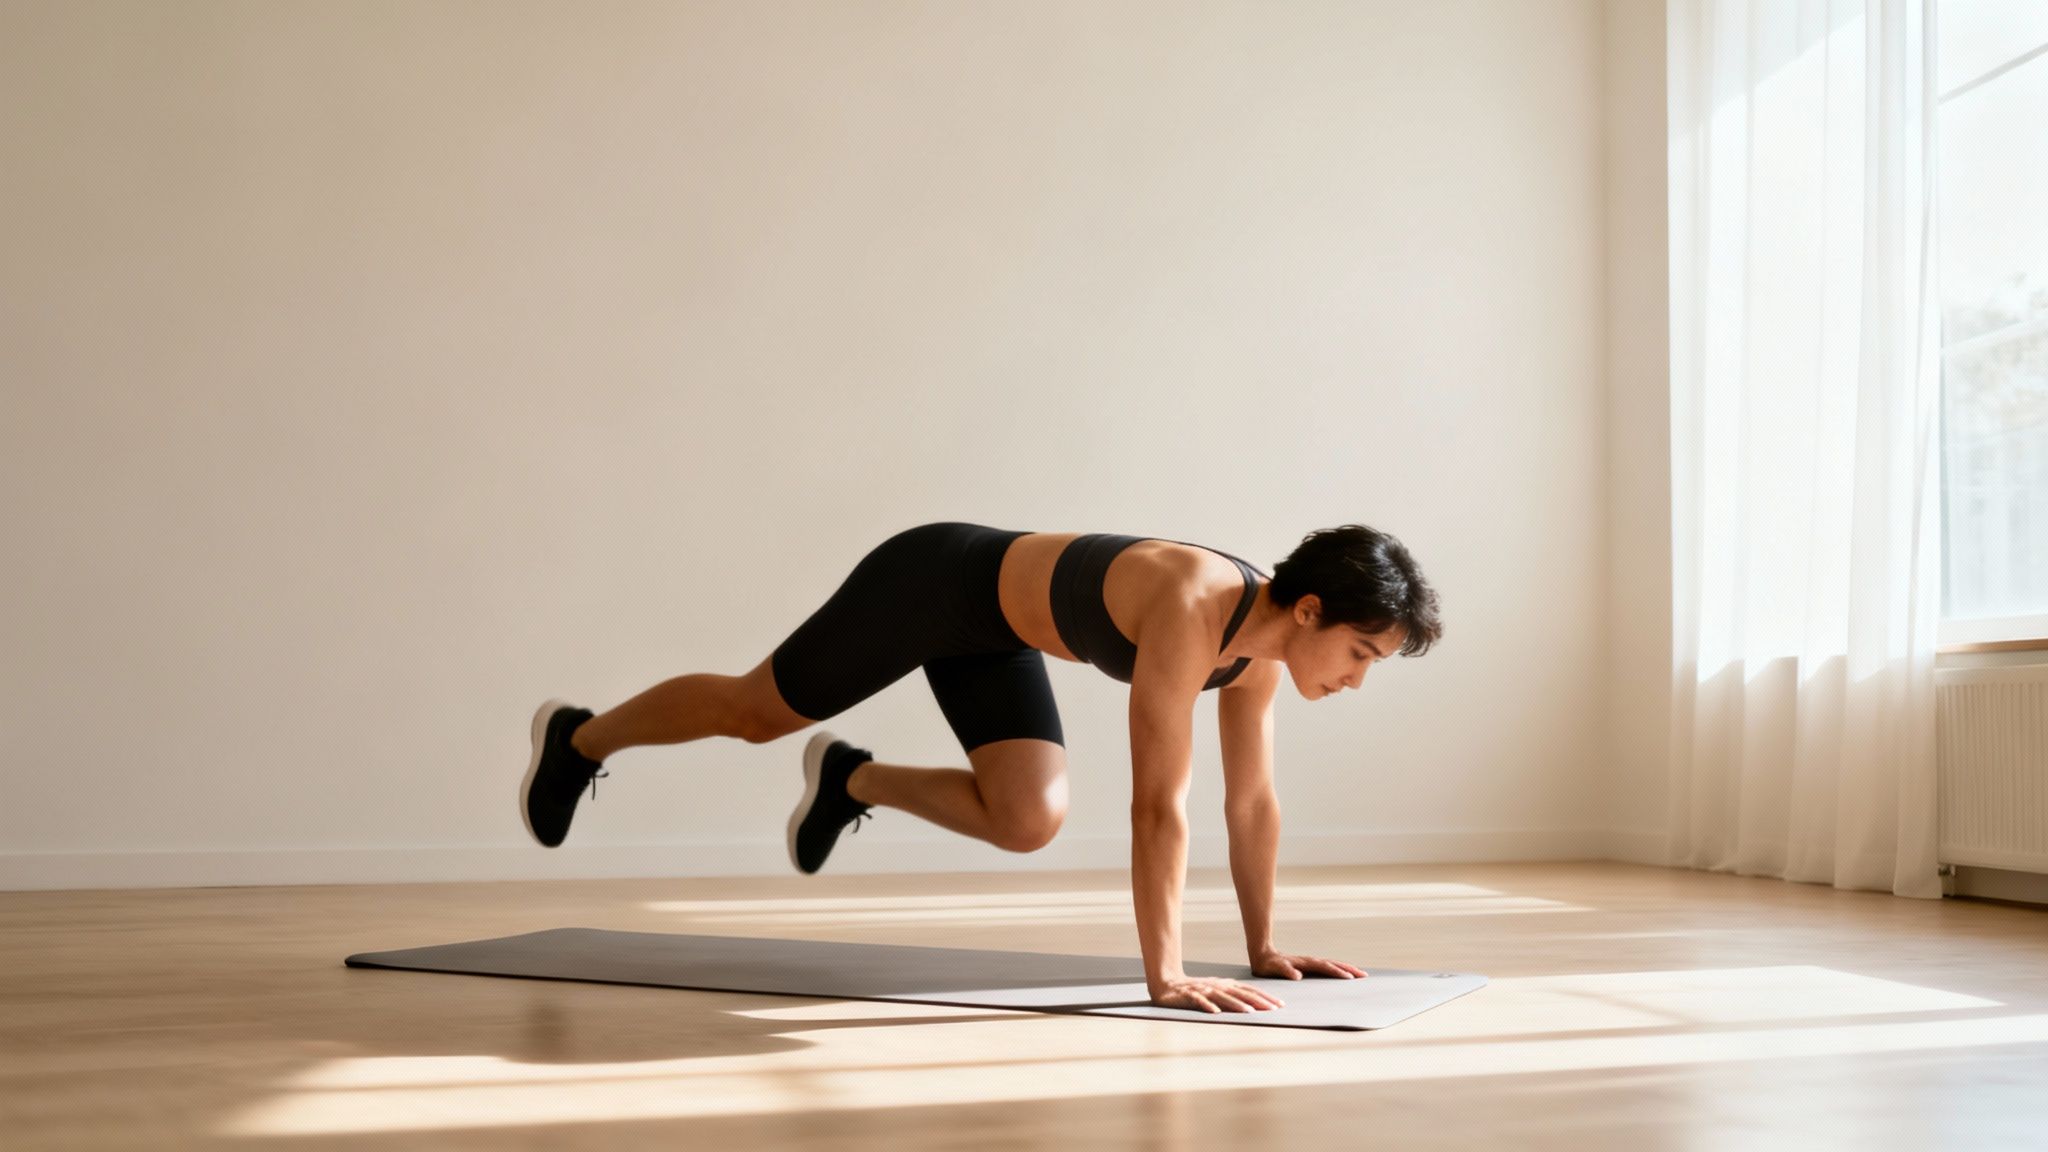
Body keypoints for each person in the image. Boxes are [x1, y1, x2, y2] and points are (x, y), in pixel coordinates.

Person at [521, 521, 1442, 1016]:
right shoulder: (1193, 608)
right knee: (757, 710)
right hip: (931, 583)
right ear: (1313, 610)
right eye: (1362, 653)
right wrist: (1164, 975)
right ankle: (580, 739)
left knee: (1025, 819)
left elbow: (1252, 803)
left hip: (998, 634)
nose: (1359, 679)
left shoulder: (1260, 659)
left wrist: (1262, 950)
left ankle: (850, 781)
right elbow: (1159, 806)